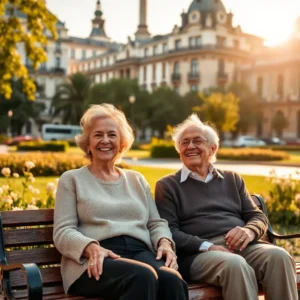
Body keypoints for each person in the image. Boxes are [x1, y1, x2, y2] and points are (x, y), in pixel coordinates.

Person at [155, 114, 297, 300]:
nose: (190, 146)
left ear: (213, 148)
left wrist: (248, 232)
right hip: (199, 254)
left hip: (243, 246)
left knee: (279, 257)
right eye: (184, 142)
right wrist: (208, 246)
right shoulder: (168, 185)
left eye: (197, 141)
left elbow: (257, 216)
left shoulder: (232, 178)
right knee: (235, 265)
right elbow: (170, 230)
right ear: (179, 151)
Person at [53, 104, 188, 300]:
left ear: (122, 142)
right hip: (94, 259)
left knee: (172, 279)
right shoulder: (72, 179)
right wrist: (91, 248)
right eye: (98, 135)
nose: (105, 140)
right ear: (88, 143)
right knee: (142, 276)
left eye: (112, 135)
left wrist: (164, 242)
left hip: (140, 252)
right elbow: (63, 231)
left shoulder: (136, 179)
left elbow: (155, 223)